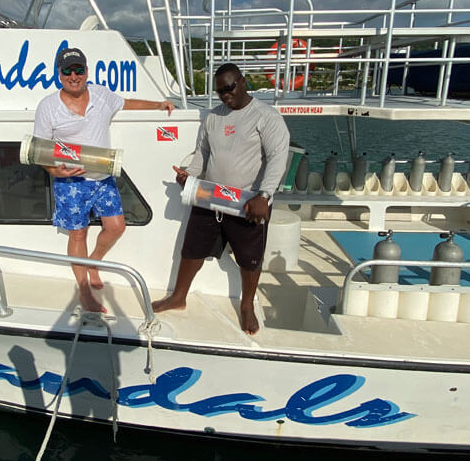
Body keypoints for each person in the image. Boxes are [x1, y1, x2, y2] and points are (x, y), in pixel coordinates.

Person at [34, 47, 174, 314]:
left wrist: (158, 105)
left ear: (86, 71)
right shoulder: (48, 106)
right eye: (67, 71)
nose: (73, 76)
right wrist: (54, 172)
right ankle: (83, 290)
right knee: (78, 233)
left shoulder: (100, 94)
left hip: (102, 177)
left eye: (78, 70)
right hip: (71, 181)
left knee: (116, 226)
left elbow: (126, 103)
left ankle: (93, 261)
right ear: (59, 75)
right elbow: (41, 148)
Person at [152, 63, 289, 334]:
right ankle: (179, 297)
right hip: (210, 196)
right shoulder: (213, 117)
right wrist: (189, 175)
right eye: (220, 92)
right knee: (192, 249)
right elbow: (202, 151)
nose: (225, 95)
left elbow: (278, 158)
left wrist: (264, 195)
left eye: (229, 88)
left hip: (248, 202)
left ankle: (247, 304)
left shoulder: (266, 117)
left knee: (249, 259)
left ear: (243, 82)